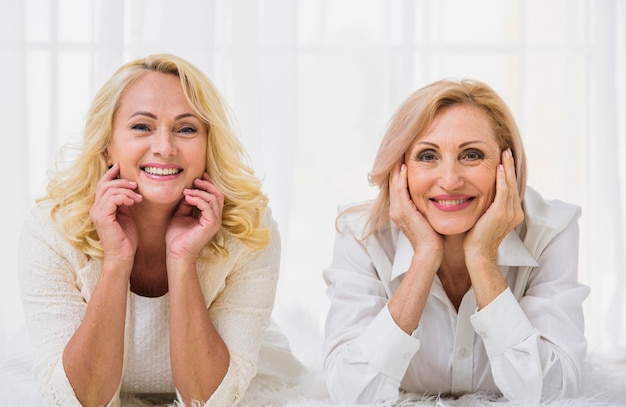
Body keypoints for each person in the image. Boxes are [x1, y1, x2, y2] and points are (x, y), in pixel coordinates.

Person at [18, 53, 302, 407]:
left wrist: (182, 259)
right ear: (107, 145)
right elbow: (80, 400)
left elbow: (211, 399)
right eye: (142, 127)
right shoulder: (52, 227)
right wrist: (116, 262)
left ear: (208, 143)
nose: (165, 148)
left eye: (186, 129)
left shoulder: (248, 228)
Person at [323, 79, 589, 405]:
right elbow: (350, 393)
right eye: (428, 156)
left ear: (507, 166)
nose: (449, 180)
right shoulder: (362, 234)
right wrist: (425, 257)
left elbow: (554, 392)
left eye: (472, 155)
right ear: (399, 169)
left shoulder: (550, 230)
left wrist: (482, 257)